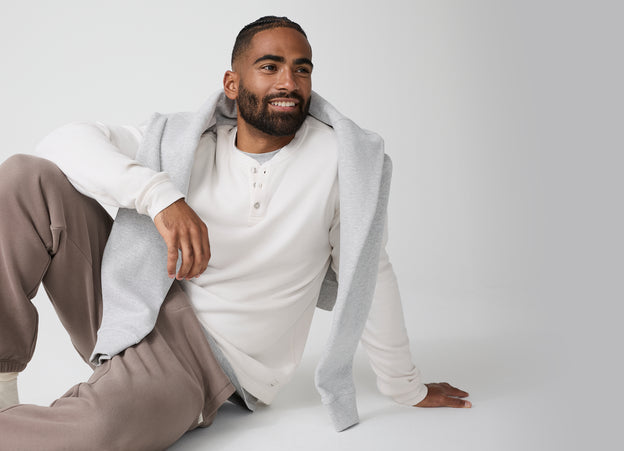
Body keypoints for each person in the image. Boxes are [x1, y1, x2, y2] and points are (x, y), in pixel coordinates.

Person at [0, 15, 469, 450]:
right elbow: (60, 143)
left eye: (302, 69)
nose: (289, 82)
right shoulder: (186, 142)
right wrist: (159, 196)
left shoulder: (337, 164)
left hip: (199, 360)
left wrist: (405, 385)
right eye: (270, 66)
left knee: (95, 431)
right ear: (232, 83)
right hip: (129, 304)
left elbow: (368, 273)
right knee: (26, 178)